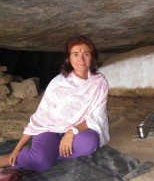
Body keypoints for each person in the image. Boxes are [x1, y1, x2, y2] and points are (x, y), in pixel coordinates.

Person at [0, 36, 110, 172]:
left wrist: (71, 131)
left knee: (90, 143)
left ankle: (47, 154)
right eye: (75, 54)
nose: (81, 59)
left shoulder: (99, 83)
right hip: (50, 129)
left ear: (92, 58)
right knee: (40, 162)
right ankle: (12, 158)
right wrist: (17, 148)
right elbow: (40, 118)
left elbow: (97, 116)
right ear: (69, 59)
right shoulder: (58, 83)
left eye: (86, 54)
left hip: (78, 131)